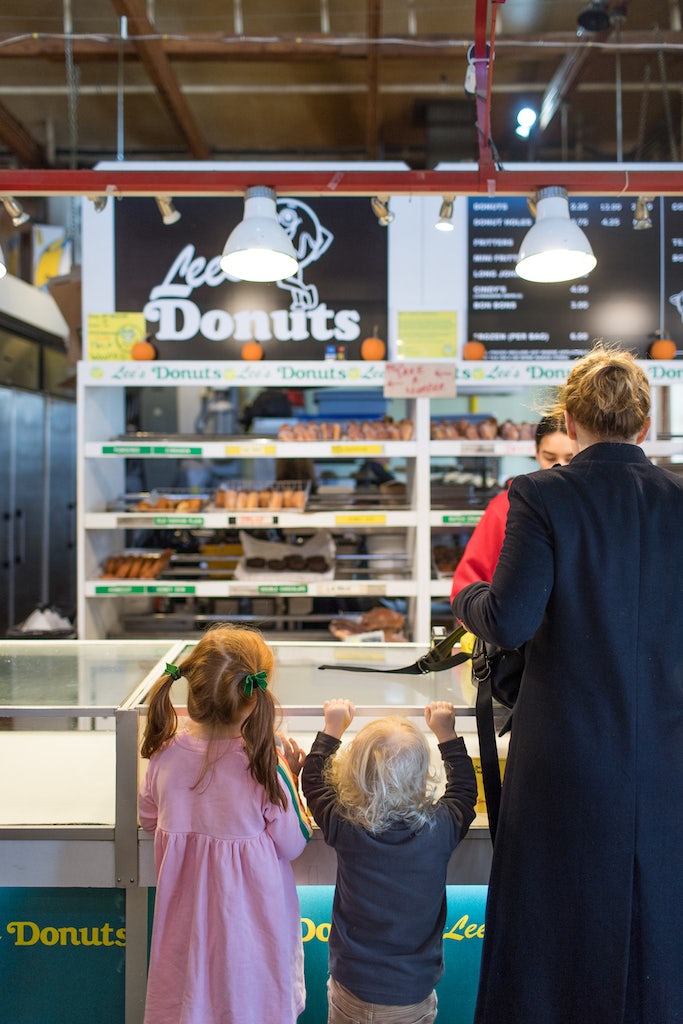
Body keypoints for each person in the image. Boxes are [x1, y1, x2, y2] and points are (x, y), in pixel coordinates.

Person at [452, 344, 683, 1024]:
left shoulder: (540, 494)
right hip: (666, 758)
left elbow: (508, 619)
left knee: (552, 935)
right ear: (642, 425)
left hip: (566, 757)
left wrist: (462, 600)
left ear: (571, 421)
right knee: (654, 926)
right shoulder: (677, 501)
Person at [138, 624, 312, 1024]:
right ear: (254, 699)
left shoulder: (163, 756)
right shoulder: (264, 765)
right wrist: (296, 779)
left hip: (184, 937)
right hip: (250, 941)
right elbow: (293, 843)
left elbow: (149, 819)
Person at [301, 698, 477, 1024]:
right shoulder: (441, 827)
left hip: (351, 989)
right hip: (413, 994)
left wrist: (333, 728)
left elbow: (313, 780)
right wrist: (447, 733)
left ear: (355, 774)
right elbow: (465, 791)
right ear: (423, 774)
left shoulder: (346, 824)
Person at [450, 414, 575, 600]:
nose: (559, 466)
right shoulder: (504, 509)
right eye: (550, 457)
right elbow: (468, 583)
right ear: (536, 452)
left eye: (570, 458)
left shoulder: (593, 507)